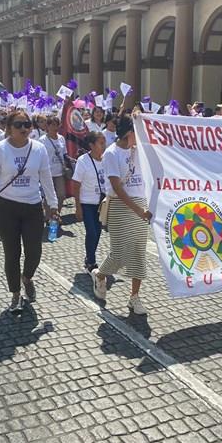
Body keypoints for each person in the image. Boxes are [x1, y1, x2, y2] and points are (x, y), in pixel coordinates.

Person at [0, 110, 58, 314]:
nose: (24, 129)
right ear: (9, 128)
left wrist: (53, 204)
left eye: (28, 124)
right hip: (6, 208)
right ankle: (15, 294)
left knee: (34, 252)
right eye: (19, 125)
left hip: (32, 207)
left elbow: (46, 178)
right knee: (12, 254)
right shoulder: (0, 149)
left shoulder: (39, 149)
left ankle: (27, 277)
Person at [92, 115, 151, 315]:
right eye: (137, 132)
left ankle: (134, 297)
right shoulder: (111, 153)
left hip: (140, 203)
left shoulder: (140, 151)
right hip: (119, 205)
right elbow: (117, 188)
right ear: (128, 133)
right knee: (120, 252)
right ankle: (100, 274)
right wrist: (138, 211)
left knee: (138, 253)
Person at [72, 131, 106, 272]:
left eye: (104, 143)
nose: (104, 146)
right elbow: (76, 183)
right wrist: (78, 206)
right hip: (87, 203)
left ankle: (89, 257)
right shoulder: (83, 161)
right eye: (100, 143)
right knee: (91, 232)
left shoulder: (106, 159)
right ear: (91, 145)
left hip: (102, 204)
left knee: (97, 233)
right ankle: (90, 261)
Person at [39, 115, 69, 219]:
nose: (55, 127)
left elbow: (64, 154)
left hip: (59, 171)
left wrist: (67, 163)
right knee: (49, 196)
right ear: (47, 126)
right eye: (52, 125)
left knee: (61, 195)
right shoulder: (42, 140)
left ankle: (56, 214)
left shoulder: (61, 139)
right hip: (47, 172)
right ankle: (48, 217)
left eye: (57, 125)